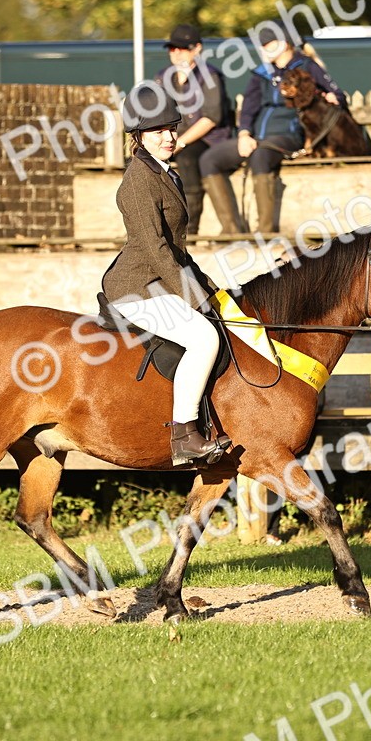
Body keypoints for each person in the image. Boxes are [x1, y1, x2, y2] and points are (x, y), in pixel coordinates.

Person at [101, 83, 224, 465]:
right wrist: (194, 297)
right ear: (138, 136)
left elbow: (177, 248)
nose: (169, 137)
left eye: (172, 128)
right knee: (204, 338)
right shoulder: (138, 181)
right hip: (136, 287)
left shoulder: (166, 173)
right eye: (158, 131)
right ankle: (184, 434)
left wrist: (212, 289)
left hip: (160, 279)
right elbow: (156, 250)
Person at [199, 24, 346, 234]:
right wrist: (244, 134)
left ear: (284, 44)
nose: (262, 49)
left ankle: (265, 232)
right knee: (209, 159)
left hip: (290, 135)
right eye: (261, 45)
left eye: (267, 44)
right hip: (257, 138)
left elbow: (337, 95)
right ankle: (232, 232)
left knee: (261, 155)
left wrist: (333, 98)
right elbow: (249, 107)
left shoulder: (307, 66)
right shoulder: (262, 73)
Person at [155, 24, 239, 235]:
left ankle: (189, 231)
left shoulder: (210, 76)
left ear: (197, 49)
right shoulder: (163, 77)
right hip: (172, 137)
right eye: (172, 48)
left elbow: (211, 119)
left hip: (208, 139)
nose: (176, 53)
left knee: (188, 159)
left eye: (182, 48)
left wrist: (180, 143)